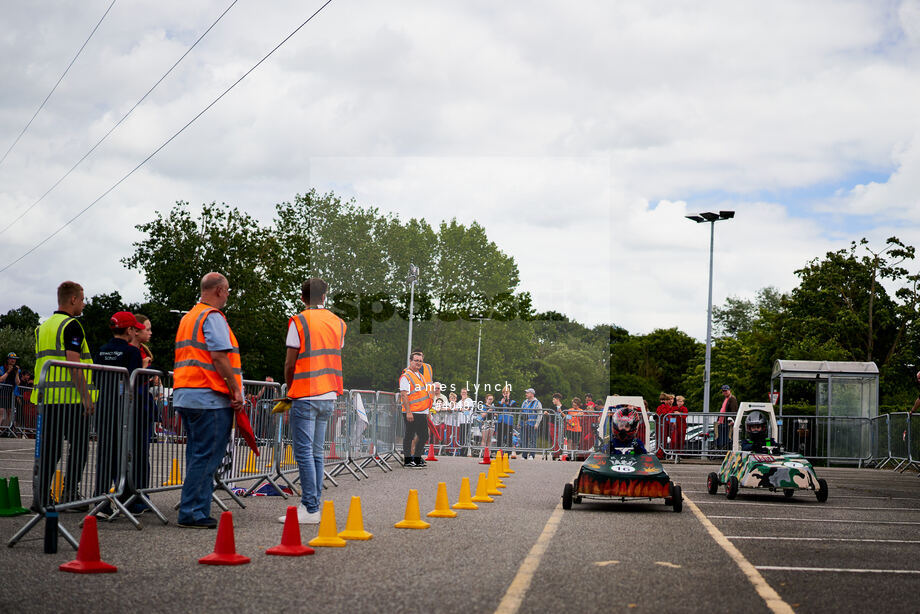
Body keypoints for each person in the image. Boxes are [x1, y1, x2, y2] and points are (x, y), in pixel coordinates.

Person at [173, 273, 243, 529]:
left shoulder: (189, 317)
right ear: (220, 290)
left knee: (197, 454)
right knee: (207, 456)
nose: (227, 295)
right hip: (209, 397)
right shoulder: (212, 317)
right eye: (228, 291)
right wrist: (235, 390)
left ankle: (193, 507)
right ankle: (193, 512)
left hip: (186, 393)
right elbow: (220, 357)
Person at [282, 278, 346, 524]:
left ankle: (309, 508)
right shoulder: (338, 324)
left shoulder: (298, 321)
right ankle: (313, 505)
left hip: (306, 393)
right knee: (316, 453)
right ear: (324, 297)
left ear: (302, 297)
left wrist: (290, 388)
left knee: (305, 454)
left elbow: (290, 363)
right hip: (329, 393)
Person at [32, 281, 96, 511]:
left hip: (46, 399)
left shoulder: (43, 326)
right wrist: (86, 397)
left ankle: (41, 495)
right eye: (82, 299)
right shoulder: (72, 325)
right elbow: (74, 363)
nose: (83, 303)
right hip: (70, 399)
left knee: (49, 449)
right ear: (72, 300)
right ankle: (70, 492)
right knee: (78, 446)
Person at [94, 311, 145, 517]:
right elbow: (134, 381)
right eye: (135, 328)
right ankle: (126, 500)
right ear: (130, 330)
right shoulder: (131, 353)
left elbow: (97, 379)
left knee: (104, 454)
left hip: (104, 407)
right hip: (123, 409)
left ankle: (101, 502)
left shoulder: (102, 350)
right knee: (124, 455)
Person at [400, 351, 432, 468]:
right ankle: (408, 460)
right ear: (411, 361)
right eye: (416, 360)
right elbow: (404, 395)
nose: (418, 363)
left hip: (421, 412)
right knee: (410, 435)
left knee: (424, 435)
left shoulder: (421, 376)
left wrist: (427, 411)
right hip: (412, 412)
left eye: (420, 361)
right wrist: (408, 412)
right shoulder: (406, 376)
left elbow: (424, 394)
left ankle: (417, 458)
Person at [0, 352, 20, 436]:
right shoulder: (2, 368)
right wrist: (8, 371)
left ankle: (8, 430)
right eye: (11, 359)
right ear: (8, 359)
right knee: (1, 412)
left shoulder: (16, 369)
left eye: (14, 359)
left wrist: (16, 373)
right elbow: (1, 379)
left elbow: (18, 382)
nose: (13, 360)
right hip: (2, 392)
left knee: (10, 412)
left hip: (11, 394)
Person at [519, 388, 542, 459]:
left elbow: (540, 414)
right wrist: (519, 422)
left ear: (532, 394)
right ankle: (524, 455)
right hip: (524, 424)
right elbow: (521, 413)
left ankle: (532, 455)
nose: (526, 394)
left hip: (532, 424)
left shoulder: (537, 402)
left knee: (532, 440)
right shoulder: (524, 402)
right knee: (524, 440)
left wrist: (537, 423)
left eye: (527, 393)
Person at [495, 386, 516, 453]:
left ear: (509, 393)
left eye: (507, 393)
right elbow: (498, 410)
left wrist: (507, 404)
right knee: (500, 437)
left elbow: (513, 410)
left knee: (509, 437)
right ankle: (499, 451)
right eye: (504, 393)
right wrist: (501, 403)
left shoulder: (513, 402)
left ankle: (508, 452)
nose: (505, 394)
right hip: (501, 421)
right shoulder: (499, 402)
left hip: (509, 422)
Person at [716, 385, 738, 449]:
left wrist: (732, 420)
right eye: (723, 391)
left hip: (728, 422)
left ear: (729, 390)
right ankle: (722, 451)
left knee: (727, 439)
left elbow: (734, 410)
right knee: (722, 439)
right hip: (723, 421)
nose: (725, 392)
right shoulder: (726, 399)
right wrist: (719, 420)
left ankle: (726, 451)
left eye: (726, 390)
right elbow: (722, 410)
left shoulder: (732, 398)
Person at [458, 387, 475, 456]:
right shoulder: (459, 402)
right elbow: (458, 409)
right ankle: (462, 452)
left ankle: (466, 451)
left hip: (468, 421)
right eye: (462, 392)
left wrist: (462, 410)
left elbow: (468, 409)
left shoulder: (469, 400)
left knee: (467, 437)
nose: (463, 394)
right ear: (460, 393)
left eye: (465, 392)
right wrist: (462, 410)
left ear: (467, 393)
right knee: (462, 437)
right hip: (461, 421)